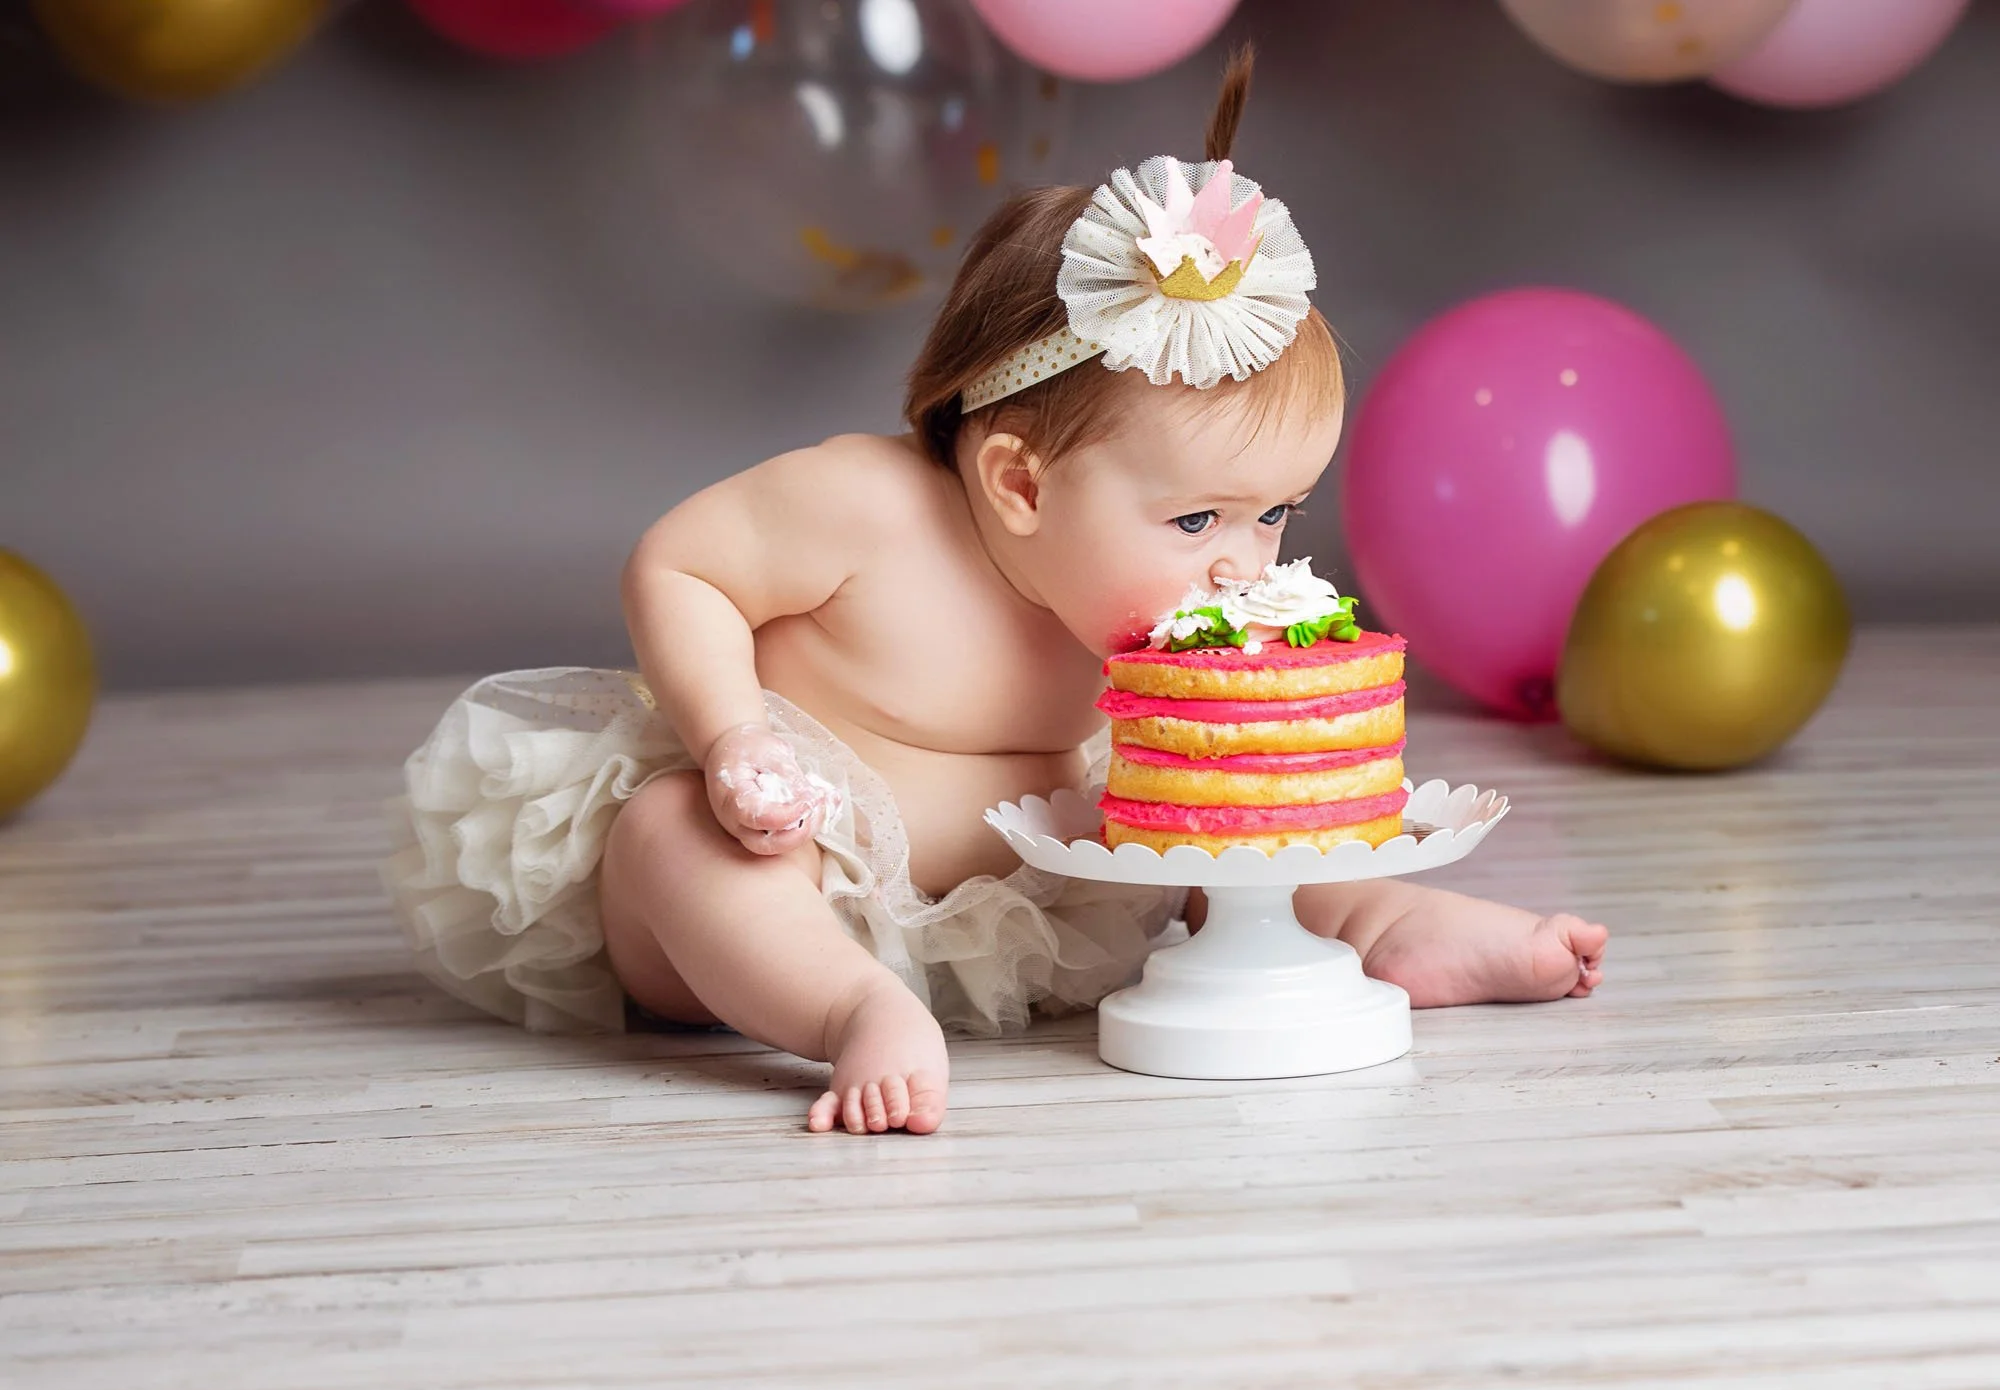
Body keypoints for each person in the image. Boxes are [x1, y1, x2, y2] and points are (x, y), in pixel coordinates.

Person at [382, 49, 1607, 1138]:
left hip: (1025, 901)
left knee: (1215, 821)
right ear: (1019, 482)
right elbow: (680, 562)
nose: (1244, 565)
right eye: (1195, 519)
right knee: (673, 838)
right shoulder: (868, 509)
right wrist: (730, 735)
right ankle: (847, 1005)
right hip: (791, 870)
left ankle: (1383, 922)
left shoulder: (1154, 603)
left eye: (1274, 511)